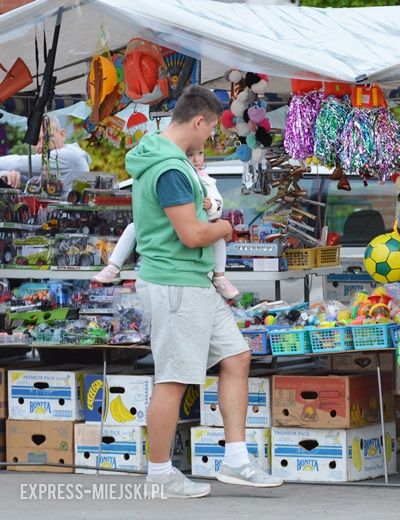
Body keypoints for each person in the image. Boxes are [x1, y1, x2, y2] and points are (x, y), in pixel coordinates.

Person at [127, 85, 282, 498]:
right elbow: (193, 234)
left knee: (237, 356)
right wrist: (226, 227)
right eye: (211, 128)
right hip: (175, 283)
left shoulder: (164, 157)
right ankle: (159, 473)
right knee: (174, 378)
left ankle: (235, 458)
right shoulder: (172, 171)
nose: (210, 138)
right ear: (198, 121)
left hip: (193, 283)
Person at [94, 145, 239, 299]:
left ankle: (220, 277)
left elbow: (219, 203)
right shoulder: (172, 173)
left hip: (197, 226)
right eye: (190, 155)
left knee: (219, 239)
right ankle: (113, 266)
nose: (196, 159)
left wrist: (212, 206)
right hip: (169, 225)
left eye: (200, 153)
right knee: (133, 227)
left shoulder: (205, 179)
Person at [0, 115, 90, 189]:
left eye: (48, 138)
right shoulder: (44, 164)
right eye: (36, 141)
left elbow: (18, 163)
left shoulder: (69, 155)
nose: (42, 145)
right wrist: (5, 174)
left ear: (62, 135)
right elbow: (20, 171)